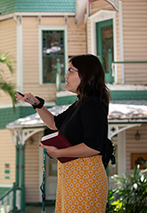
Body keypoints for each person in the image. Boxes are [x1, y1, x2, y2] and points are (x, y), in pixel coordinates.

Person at [16, 54, 110, 213]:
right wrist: (37, 105)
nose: (66, 76)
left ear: (85, 74)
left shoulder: (92, 104)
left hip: (86, 178)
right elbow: (54, 123)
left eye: (71, 71)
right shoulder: (81, 102)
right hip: (73, 177)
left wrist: (58, 152)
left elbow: (94, 146)